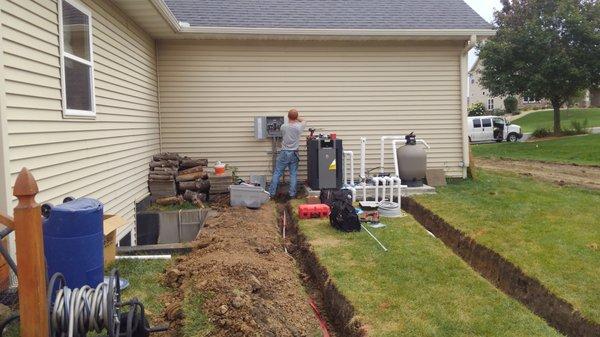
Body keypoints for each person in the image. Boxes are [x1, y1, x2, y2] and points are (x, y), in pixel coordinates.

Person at [268, 109, 306, 198]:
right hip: (294, 153)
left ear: (288, 117)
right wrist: (297, 118)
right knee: (293, 174)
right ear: (296, 117)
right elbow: (304, 121)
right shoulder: (299, 127)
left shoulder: (283, 126)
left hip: (284, 152)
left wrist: (291, 117)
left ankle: (271, 194)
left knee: (277, 172)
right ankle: (292, 194)